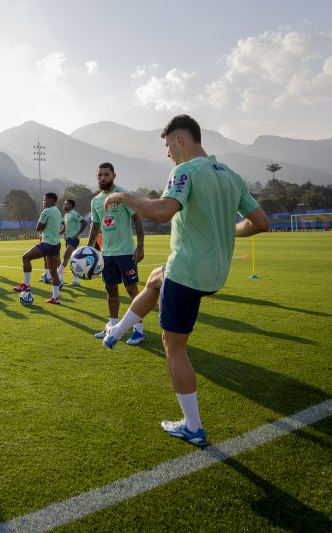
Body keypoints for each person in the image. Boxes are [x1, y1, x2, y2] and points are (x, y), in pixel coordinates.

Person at [100, 114, 269, 446]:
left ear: (179, 140)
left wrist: (126, 197)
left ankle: (192, 426)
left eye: (166, 145)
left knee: (173, 348)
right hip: (213, 274)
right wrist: (228, 229)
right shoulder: (232, 176)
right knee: (155, 279)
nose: (166, 153)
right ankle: (117, 331)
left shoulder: (185, 171)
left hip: (189, 272)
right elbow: (261, 222)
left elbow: (163, 211)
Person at [87, 163, 146, 345]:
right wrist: (88, 249)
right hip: (107, 254)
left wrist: (141, 246)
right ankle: (112, 326)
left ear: (113, 175)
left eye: (106, 174)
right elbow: (95, 226)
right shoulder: (96, 201)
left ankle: (138, 330)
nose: (102, 178)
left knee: (131, 290)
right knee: (110, 289)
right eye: (100, 175)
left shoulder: (123, 196)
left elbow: (137, 220)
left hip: (126, 252)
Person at [12, 192, 62, 304]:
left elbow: (38, 227)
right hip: (56, 244)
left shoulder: (47, 211)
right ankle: (55, 298)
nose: (43, 202)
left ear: (51, 200)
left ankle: (26, 285)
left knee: (25, 257)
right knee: (54, 272)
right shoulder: (58, 211)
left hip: (47, 243)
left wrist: (42, 229)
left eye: (45, 199)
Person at [57, 198, 88, 287]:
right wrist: (58, 233)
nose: (64, 205)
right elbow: (65, 227)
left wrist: (78, 233)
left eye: (66, 204)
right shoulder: (66, 215)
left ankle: (59, 276)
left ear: (71, 205)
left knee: (66, 256)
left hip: (73, 239)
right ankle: (76, 281)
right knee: (72, 260)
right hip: (67, 239)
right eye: (64, 204)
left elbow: (84, 222)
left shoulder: (74, 213)